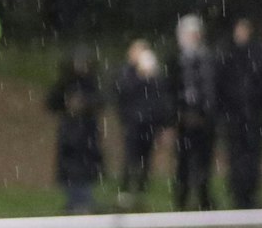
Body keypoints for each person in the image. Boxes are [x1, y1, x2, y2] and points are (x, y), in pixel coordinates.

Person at [169, 15, 220, 211]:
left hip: (204, 121)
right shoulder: (176, 61)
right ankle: (181, 200)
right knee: (183, 163)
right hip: (184, 122)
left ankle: (203, 198)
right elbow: (171, 91)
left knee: (204, 162)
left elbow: (212, 91)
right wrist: (180, 114)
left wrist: (205, 113)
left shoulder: (208, 59)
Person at [47, 48, 106, 213]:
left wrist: (85, 104)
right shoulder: (65, 83)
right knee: (70, 168)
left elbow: (101, 102)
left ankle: (84, 201)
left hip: (87, 132)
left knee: (86, 167)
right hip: (70, 132)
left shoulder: (91, 83)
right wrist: (67, 104)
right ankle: (76, 201)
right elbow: (52, 103)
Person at [113, 40, 170, 209]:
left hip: (149, 123)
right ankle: (125, 191)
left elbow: (160, 99)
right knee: (131, 157)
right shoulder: (127, 72)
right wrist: (140, 77)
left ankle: (140, 191)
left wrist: (162, 123)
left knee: (146, 158)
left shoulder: (155, 76)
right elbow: (123, 93)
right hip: (133, 123)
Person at [217, 18, 262, 209]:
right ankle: (237, 194)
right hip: (234, 116)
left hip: (253, 116)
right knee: (236, 157)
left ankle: (251, 193)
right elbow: (221, 86)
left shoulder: (256, 55)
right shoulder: (228, 55)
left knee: (252, 156)